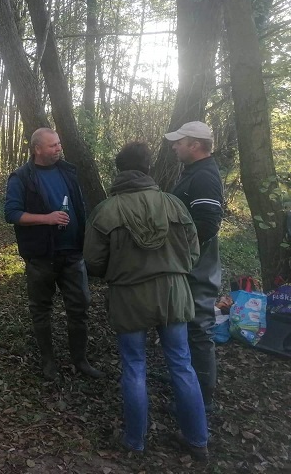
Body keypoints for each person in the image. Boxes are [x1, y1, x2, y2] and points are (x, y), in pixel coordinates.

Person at [83, 142, 207, 461]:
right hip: (174, 294)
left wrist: (119, 271)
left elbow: (93, 262)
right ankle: (198, 442)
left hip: (129, 296)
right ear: (148, 168)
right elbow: (193, 252)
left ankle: (134, 443)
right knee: (181, 364)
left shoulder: (106, 211)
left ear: (119, 170)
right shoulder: (174, 204)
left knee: (134, 366)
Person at [4, 128, 103, 380]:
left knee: (79, 307)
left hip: (73, 254)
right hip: (41, 256)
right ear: (37, 149)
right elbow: (12, 214)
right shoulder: (21, 177)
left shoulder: (67, 171)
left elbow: (79, 206)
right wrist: (46, 218)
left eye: (59, 144)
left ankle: (80, 360)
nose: (59, 148)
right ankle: (48, 362)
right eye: (52, 145)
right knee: (41, 309)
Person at [165, 121, 224, 412]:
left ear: (195, 145)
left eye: (180, 141)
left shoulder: (204, 176)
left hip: (197, 264)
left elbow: (208, 224)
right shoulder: (194, 172)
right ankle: (189, 393)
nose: (175, 146)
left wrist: (182, 252)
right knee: (189, 325)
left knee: (199, 327)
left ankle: (201, 401)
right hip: (189, 261)